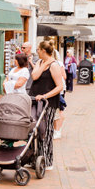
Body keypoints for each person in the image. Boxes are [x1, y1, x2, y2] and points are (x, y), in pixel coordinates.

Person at [29, 40, 63, 170]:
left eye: (38, 49)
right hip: (35, 100)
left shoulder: (54, 65)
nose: (36, 51)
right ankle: (34, 158)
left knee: (47, 130)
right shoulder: (39, 62)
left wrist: (45, 96)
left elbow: (60, 86)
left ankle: (47, 160)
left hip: (48, 102)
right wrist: (43, 65)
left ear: (43, 51)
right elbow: (35, 76)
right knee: (33, 129)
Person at [53, 59, 66, 140]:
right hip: (54, 90)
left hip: (58, 90)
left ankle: (58, 130)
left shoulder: (58, 64)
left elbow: (64, 76)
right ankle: (56, 130)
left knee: (59, 110)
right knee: (56, 111)